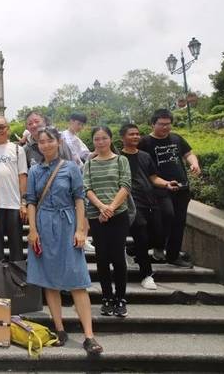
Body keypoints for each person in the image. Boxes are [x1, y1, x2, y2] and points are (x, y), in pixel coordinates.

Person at [26, 127, 102, 355]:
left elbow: (80, 199)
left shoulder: (70, 168)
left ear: (58, 142)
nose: (46, 145)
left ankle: (89, 336)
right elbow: (30, 200)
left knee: (77, 280)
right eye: (41, 142)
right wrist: (32, 230)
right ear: (37, 145)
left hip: (67, 223)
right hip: (43, 225)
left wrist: (81, 230)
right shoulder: (34, 171)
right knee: (49, 281)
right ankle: (59, 329)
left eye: (49, 141)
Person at [120, 124, 183, 290]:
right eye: (131, 134)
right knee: (141, 234)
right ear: (122, 138)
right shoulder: (118, 158)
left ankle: (130, 251)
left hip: (151, 201)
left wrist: (167, 184)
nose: (135, 137)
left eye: (137, 134)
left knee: (158, 236)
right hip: (132, 204)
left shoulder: (145, 156)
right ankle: (146, 275)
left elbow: (154, 178)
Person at [138, 109, 201, 268]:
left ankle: (173, 255)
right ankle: (146, 247)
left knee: (179, 222)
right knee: (166, 216)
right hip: (159, 189)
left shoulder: (177, 138)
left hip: (182, 188)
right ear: (153, 124)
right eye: (161, 124)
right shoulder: (145, 142)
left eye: (168, 124)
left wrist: (194, 163)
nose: (165, 127)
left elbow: (189, 154)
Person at [83, 126, 131, 317]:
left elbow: (125, 185)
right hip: (97, 216)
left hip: (119, 215)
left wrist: (110, 208)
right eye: (96, 139)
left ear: (110, 140)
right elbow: (86, 187)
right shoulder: (88, 164)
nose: (100, 142)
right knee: (102, 259)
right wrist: (102, 207)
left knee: (118, 258)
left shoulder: (121, 160)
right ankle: (107, 298)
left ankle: (121, 298)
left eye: (104, 138)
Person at [0, 116, 28, 262]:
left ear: (8, 129)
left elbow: (23, 177)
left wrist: (23, 203)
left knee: (17, 248)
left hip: (14, 205)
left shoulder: (17, 150)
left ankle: (17, 283)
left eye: (2, 127)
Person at [59, 113, 95, 253]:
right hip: (62, 174)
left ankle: (84, 237)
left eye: (81, 124)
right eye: (78, 123)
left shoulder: (77, 139)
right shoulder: (61, 136)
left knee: (83, 205)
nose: (80, 127)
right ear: (71, 121)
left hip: (78, 175)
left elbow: (86, 155)